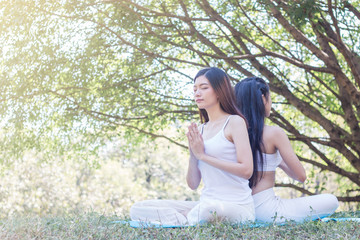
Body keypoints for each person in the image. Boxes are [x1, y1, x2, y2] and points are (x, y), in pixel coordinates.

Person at [130, 67, 255, 225]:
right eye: (195, 89)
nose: (197, 93)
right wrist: (193, 155)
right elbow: (193, 184)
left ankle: (184, 218)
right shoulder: (200, 130)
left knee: (208, 211)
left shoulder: (235, 122)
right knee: (138, 208)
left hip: (236, 207)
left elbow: (246, 170)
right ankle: (186, 218)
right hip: (204, 204)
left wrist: (203, 156)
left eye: (203, 88)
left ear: (219, 91)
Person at [234, 77, 339, 223]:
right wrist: (278, 159)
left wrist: (275, 160)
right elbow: (301, 176)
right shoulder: (274, 133)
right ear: (263, 98)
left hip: (239, 209)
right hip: (267, 211)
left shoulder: (231, 133)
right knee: (331, 200)